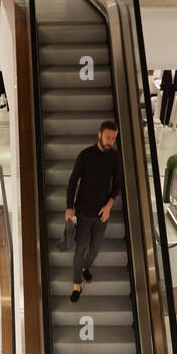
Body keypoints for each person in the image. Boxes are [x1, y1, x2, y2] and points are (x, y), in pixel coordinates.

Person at [64, 120, 121, 302]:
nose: (110, 141)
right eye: (107, 137)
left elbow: (118, 184)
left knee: (95, 248)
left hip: (102, 213)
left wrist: (109, 205)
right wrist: (69, 207)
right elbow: (73, 182)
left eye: (113, 138)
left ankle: (85, 267)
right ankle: (76, 284)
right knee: (80, 248)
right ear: (99, 135)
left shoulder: (114, 157)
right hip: (83, 212)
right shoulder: (85, 155)